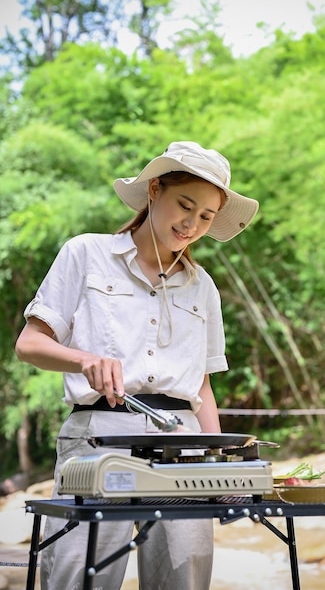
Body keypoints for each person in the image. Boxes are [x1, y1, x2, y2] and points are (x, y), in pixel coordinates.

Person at [15, 140, 259, 590]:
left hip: (184, 450)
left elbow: (201, 387)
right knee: (77, 579)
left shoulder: (202, 286)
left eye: (206, 217)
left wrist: (221, 462)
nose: (191, 224)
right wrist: (83, 358)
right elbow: (29, 344)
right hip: (97, 442)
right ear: (154, 190)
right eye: (185, 205)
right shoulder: (85, 254)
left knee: (182, 582)